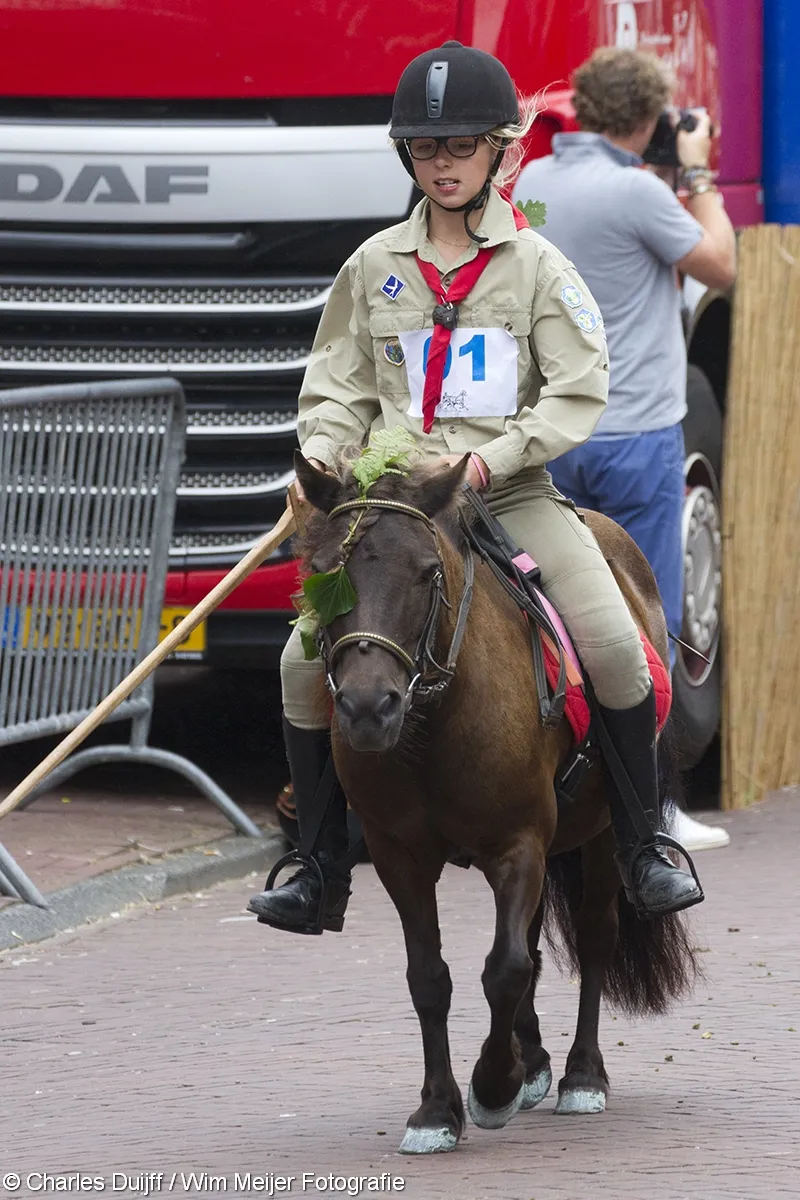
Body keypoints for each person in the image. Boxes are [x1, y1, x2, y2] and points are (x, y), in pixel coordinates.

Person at [248, 40, 704, 936]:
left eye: (461, 146)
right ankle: (319, 863)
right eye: (426, 149)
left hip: (508, 489)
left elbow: (577, 389)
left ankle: (645, 845)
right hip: (391, 503)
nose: (443, 164)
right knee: (301, 661)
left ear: (501, 148)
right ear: (406, 157)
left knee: (615, 646)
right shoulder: (371, 263)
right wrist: (324, 465)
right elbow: (337, 384)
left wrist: (496, 457)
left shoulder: (538, 267)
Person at [514, 48, 734, 851]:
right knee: (646, 615)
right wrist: (700, 174)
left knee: (553, 613)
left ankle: (553, 780)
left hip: (550, 433)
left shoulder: (531, 184)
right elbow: (721, 264)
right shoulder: (640, 190)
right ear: (646, 119)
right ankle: (653, 807)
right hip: (635, 432)